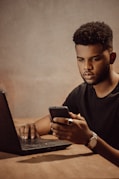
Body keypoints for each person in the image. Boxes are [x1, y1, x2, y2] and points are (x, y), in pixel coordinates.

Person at [18, 21, 119, 166]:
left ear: (112, 57)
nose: (86, 67)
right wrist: (29, 129)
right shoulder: (82, 92)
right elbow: (54, 119)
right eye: (81, 59)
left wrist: (89, 139)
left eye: (95, 59)